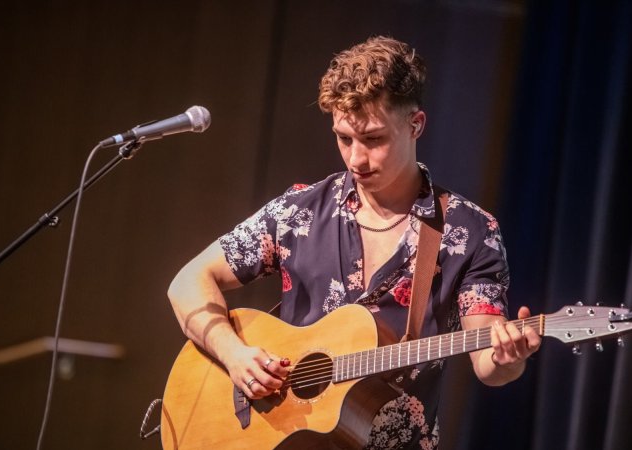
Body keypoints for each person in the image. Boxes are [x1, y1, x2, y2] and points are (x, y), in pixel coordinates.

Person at [167, 35, 541, 449]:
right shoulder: (300, 212)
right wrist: (235, 356)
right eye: (345, 138)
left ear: (415, 124)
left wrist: (509, 360)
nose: (356, 159)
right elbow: (188, 281)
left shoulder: (470, 231)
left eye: (374, 139)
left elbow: (487, 357)